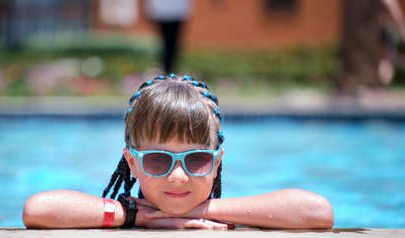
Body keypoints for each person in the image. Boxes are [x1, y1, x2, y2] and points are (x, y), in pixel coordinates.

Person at [23, 74, 334, 230]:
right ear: (132, 162)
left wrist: (200, 211)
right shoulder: (133, 212)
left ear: (216, 164)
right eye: (158, 159)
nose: (177, 176)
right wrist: (135, 216)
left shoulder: (214, 216)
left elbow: (318, 212)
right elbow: (38, 209)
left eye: (197, 160)